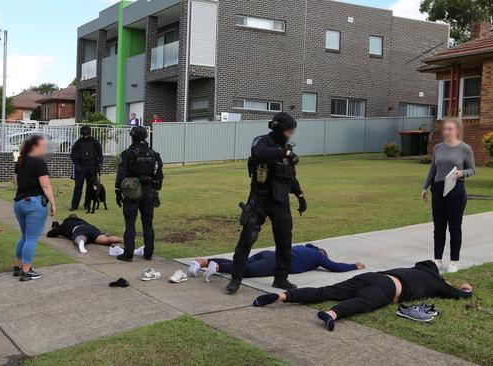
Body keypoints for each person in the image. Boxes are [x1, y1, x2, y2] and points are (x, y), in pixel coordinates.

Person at [253, 260, 473, 331]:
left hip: (372, 277)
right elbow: (460, 295)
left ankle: (281, 296)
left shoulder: (411, 270)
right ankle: (331, 314)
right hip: (388, 288)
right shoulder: (435, 281)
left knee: (326, 291)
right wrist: (465, 287)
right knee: (363, 303)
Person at [227, 113, 307, 294]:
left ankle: (281, 278)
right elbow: (258, 153)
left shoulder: (286, 148)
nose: (290, 134)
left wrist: (300, 195)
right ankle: (235, 279)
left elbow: (291, 176)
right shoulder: (261, 141)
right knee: (248, 238)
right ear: (279, 129)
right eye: (288, 131)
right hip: (259, 199)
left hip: (280, 201)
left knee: (284, 240)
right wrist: (282, 152)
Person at [422, 117, 475, 273]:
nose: (446, 131)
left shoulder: (465, 149)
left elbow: (472, 170)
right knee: (438, 227)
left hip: (456, 190)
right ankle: (437, 260)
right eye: (445, 129)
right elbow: (433, 169)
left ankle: (454, 261)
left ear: (457, 130)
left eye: (450, 129)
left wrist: (461, 173)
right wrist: (425, 187)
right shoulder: (438, 148)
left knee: (454, 227)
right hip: (438, 189)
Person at [189, 243, 365, 281]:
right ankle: (218, 266)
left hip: (267, 254)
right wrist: (354, 266)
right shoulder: (318, 257)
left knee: (243, 261)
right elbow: (335, 267)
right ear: (322, 255)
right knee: (247, 271)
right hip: (274, 263)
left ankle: (203, 261)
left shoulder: (303, 247)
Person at [115, 126, 163, 262]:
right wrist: (156, 190)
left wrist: (118, 191)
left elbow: (121, 174)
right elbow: (159, 174)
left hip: (132, 191)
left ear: (132, 136)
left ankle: (128, 254)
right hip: (149, 191)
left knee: (130, 223)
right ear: (145, 137)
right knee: (148, 223)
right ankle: (148, 253)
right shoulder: (154, 154)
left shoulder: (128, 153)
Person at [13, 135, 56, 282]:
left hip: (19, 203)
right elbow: (45, 185)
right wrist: (53, 203)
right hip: (34, 203)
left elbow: (16, 182)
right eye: (42, 146)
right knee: (31, 238)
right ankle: (26, 271)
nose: (45, 149)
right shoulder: (39, 163)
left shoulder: (20, 161)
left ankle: (17, 267)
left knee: (24, 236)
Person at [46, 214, 123, 253]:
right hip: (92, 229)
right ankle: (122, 240)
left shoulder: (65, 224)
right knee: (106, 239)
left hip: (79, 229)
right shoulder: (81, 220)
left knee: (80, 237)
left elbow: (50, 234)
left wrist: (56, 228)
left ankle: (81, 244)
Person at [70, 125, 103, 211]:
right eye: (84, 134)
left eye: (86, 134)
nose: (85, 136)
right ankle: (74, 205)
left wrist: (99, 165)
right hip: (81, 167)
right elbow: (73, 154)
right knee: (78, 187)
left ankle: (87, 204)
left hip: (92, 166)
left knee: (91, 187)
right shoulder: (78, 142)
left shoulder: (95, 142)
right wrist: (76, 164)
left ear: (89, 133)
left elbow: (100, 154)